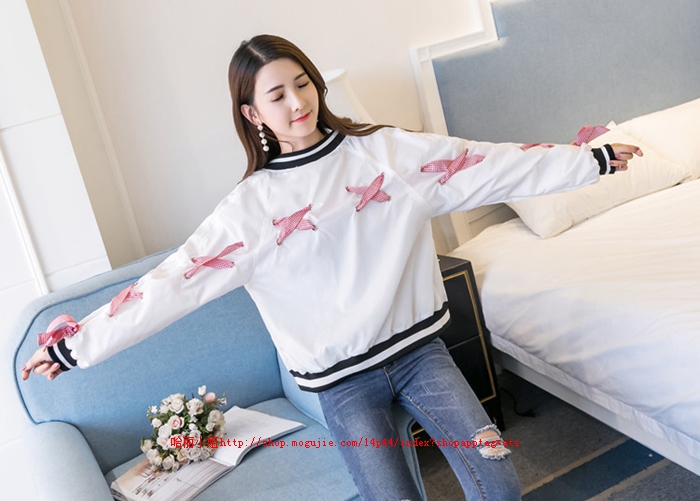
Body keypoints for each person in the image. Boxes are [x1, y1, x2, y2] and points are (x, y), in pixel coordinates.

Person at [22, 34, 642, 500]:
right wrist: (77, 347)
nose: (298, 102)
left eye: (303, 83)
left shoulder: (387, 155)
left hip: (421, 355)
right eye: (277, 95)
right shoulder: (250, 211)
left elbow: (486, 164)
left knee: (497, 481)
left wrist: (588, 162)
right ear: (252, 114)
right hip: (343, 385)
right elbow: (173, 284)